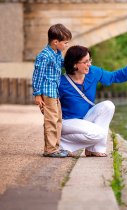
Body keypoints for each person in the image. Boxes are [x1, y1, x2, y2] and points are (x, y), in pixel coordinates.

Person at [59, 45, 127, 157]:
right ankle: (63, 144)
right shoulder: (61, 82)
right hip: (68, 122)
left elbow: (113, 77)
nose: (89, 64)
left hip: (85, 118)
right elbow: (49, 106)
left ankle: (94, 149)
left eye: (89, 60)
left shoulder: (93, 72)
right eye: (85, 62)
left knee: (108, 105)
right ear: (75, 64)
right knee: (99, 133)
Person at [32, 24, 72, 158]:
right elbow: (38, 75)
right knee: (51, 120)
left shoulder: (57, 53)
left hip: (55, 91)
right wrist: (37, 94)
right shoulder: (44, 56)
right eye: (65, 43)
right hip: (47, 92)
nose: (66, 45)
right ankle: (50, 149)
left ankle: (56, 147)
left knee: (58, 120)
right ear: (56, 42)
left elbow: (62, 65)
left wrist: (74, 63)